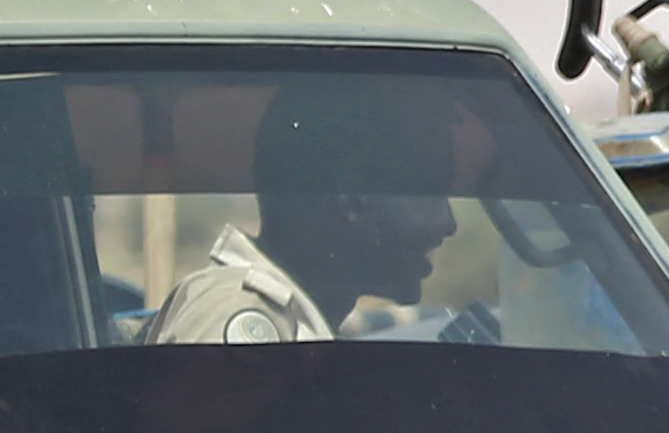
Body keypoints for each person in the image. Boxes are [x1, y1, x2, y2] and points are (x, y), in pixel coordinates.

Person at [145, 79, 463, 345]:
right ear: (353, 200)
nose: (448, 224)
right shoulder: (242, 321)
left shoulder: (290, 325)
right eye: (432, 195)